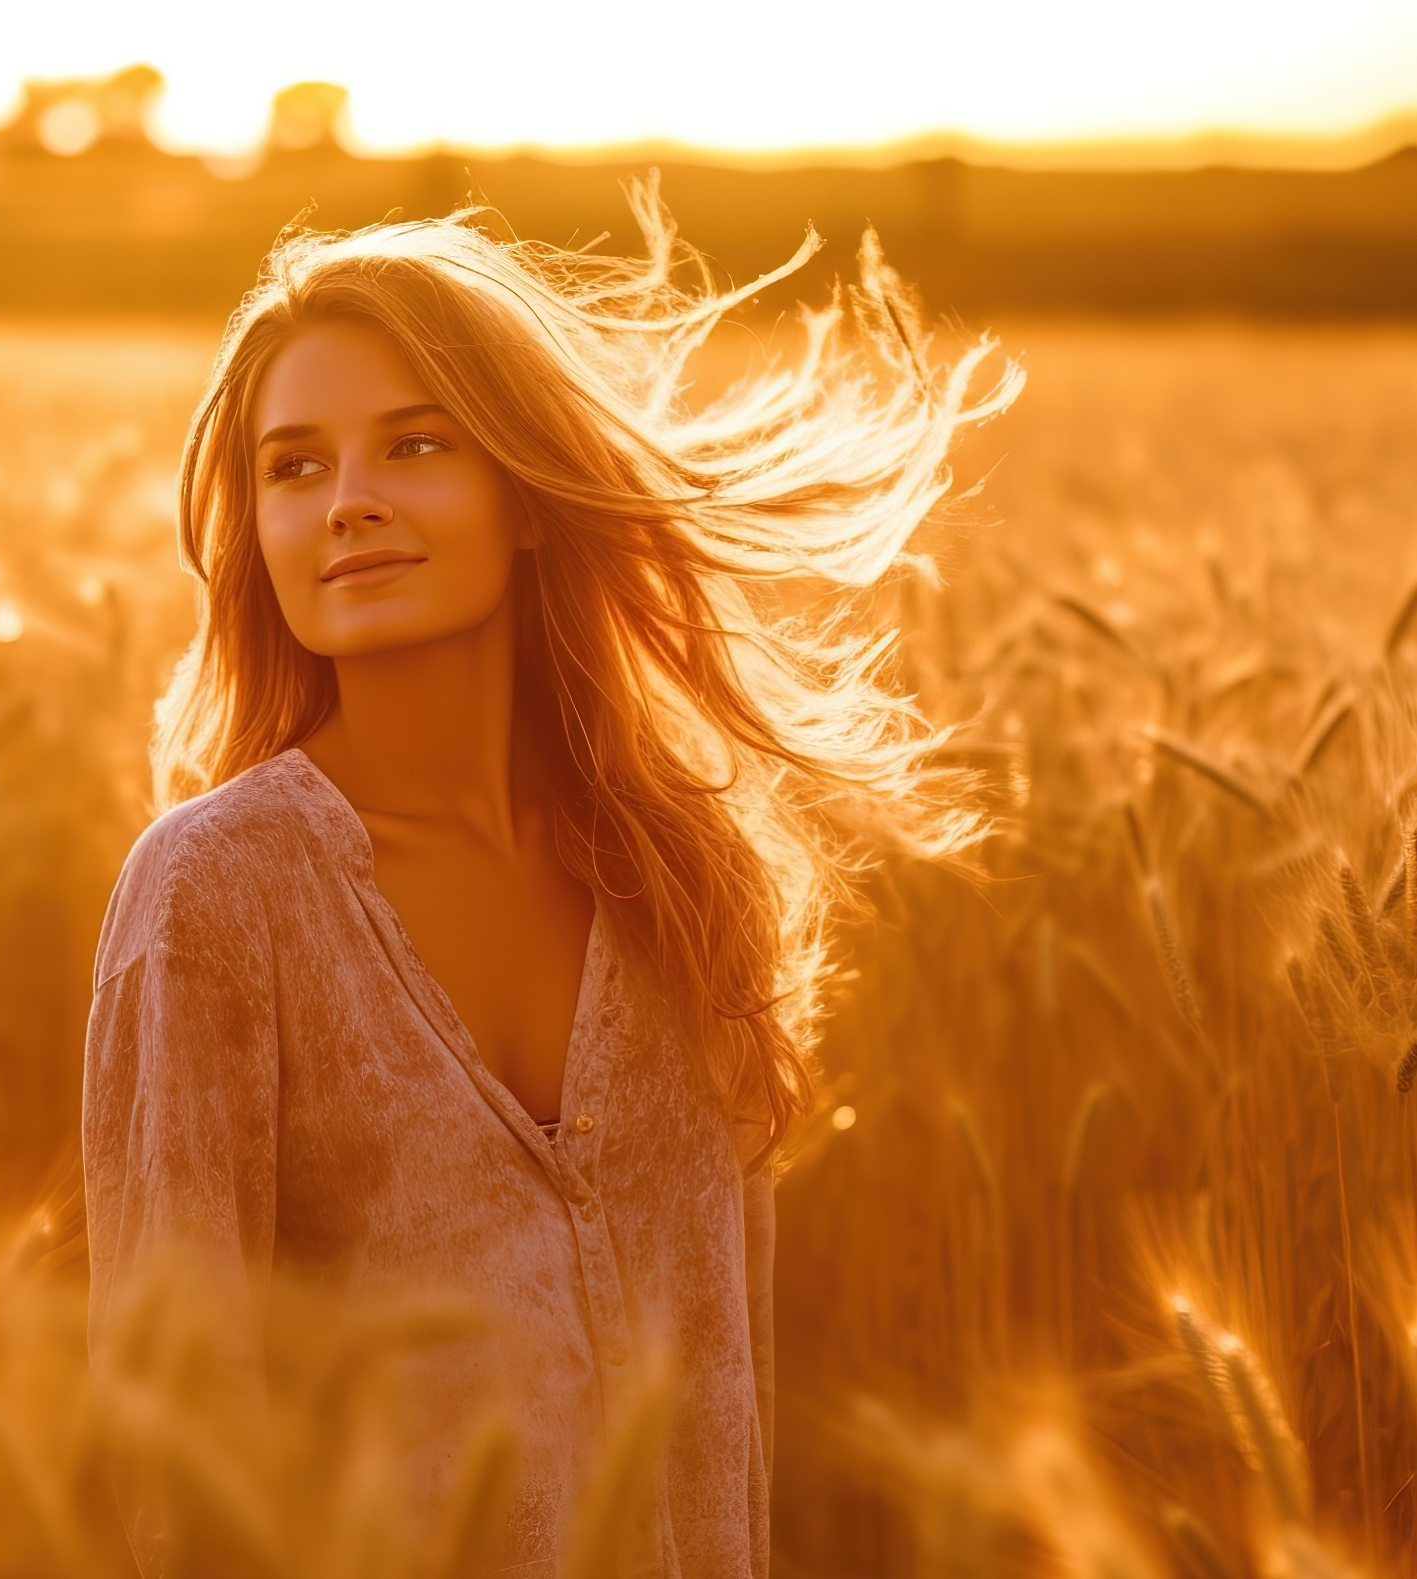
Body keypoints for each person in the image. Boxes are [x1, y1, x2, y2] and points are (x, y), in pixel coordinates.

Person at [81, 186, 1020, 1576]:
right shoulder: (217, 892)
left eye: (415, 443)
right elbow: (172, 1445)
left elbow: (722, 1398)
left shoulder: (680, 875)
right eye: (294, 467)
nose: (349, 504)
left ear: (526, 496)